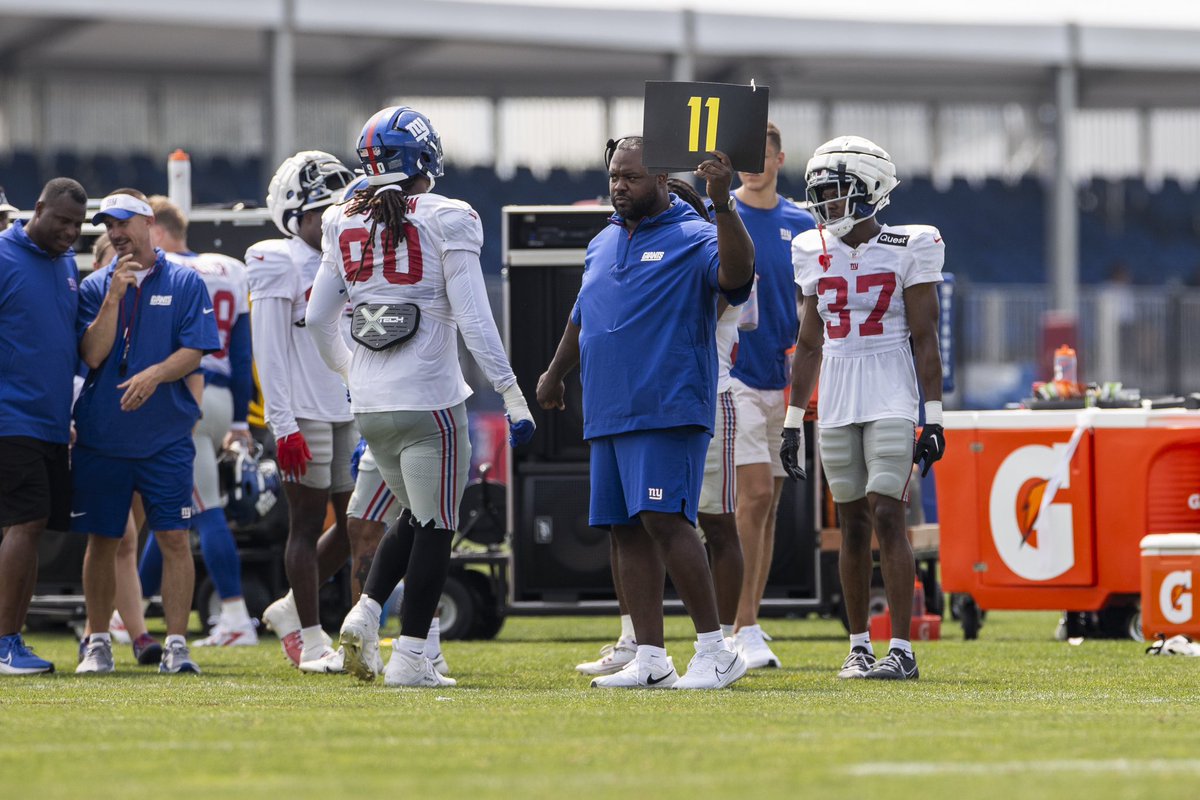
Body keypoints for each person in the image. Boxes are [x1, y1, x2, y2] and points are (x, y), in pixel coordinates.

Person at [307, 105, 535, 688]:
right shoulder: (448, 217)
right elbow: (475, 319)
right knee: (437, 526)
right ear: (425, 157)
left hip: (371, 404)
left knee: (414, 514)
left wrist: (354, 376)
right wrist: (511, 395)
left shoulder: (341, 220)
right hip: (430, 399)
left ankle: (364, 612)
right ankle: (411, 656)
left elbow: (317, 320)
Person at [539, 136, 755, 690]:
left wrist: (724, 203)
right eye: (613, 176)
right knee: (624, 531)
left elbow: (737, 277)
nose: (618, 186)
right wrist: (556, 372)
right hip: (609, 408)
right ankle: (652, 656)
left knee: (666, 521)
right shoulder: (603, 241)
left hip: (667, 404)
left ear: (661, 179)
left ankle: (716, 651)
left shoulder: (696, 235)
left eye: (630, 177)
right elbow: (582, 314)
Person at [781, 136, 945, 681]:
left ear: (871, 189)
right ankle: (858, 646)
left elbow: (926, 338)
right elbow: (808, 343)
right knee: (850, 522)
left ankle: (901, 648)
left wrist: (935, 415)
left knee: (887, 513)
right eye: (820, 193)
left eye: (836, 191)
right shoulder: (809, 247)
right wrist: (791, 418)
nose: (826, 204)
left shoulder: (910, 243)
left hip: (891, 390)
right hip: (838, 392)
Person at [73, 189, 219, 675]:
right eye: (107, 226)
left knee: (176, 538)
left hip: (164, 439)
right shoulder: (94, 287)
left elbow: (196, 352)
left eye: (122, 223)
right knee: (103, 540)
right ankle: (97, 642)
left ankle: (176, 643)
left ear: (148, 223)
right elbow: (93, 355)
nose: (114, 233)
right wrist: (113, 297)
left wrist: (154, 374)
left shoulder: (185, 281)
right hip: (103, 439)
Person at [247, 151, 367, 671]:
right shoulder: (278, 261)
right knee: (303, 524)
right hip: (303, 413)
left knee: (355, 525)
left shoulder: (345, 259)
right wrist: (284, 424)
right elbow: (269, 350)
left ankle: (292, 609)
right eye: (321, 212)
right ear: (295, 216)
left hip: (347, 406)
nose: (330, 221)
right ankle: (313, 638)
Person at [131, 195, 258, 648]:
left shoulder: (168, 272)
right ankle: (132, 609)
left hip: (185, 392)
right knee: (174, 511)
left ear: (159, 232)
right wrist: (241, 418)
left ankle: (236, 614)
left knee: (205, 510)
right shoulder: (228, 269)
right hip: (223, 395)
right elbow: (242, 354)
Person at [727, 123, 815, 669]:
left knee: (772, 503)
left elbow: (812, 304)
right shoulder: (720, 216)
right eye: (746, 156)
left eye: (762, 155)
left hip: (786, 381)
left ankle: (747, 624)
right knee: (753, 496)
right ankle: (739, 624)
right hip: (735, 374)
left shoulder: (802, 224)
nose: (753, 164)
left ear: (780, 158)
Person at [0, 178, 86, 675]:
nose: (71, 232)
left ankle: (12, 638)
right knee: (25, 523)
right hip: (12, 419)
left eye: (78, 224)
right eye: (62, 221)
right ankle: (4, 640)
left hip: (52, 423)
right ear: (37, 210)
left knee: (31, 529)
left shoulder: (67, 265)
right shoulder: (5, 257)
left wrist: (68, 412)